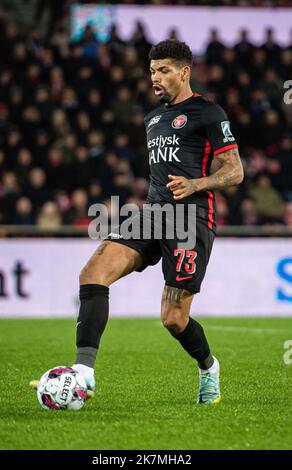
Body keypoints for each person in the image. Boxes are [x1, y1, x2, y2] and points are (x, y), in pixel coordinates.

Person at [52, 40, 244, 405]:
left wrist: (196, 183)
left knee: (173, 318)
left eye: (164, 70)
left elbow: (235, 171)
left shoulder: (208, 112)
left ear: (184, 72)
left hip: (191, 220)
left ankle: (208, 367)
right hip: (153, 214)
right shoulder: (153, 118)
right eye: (152, 71)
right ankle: (84, 372)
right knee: (92, 273)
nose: (155, 77)